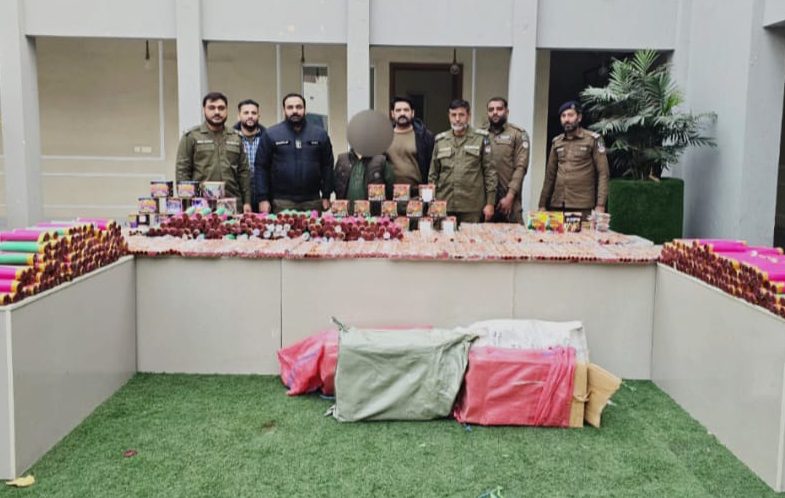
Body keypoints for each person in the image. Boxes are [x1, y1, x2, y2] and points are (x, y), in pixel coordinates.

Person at [254, 93, 334, 213]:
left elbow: (327, 166)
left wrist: (326, 195)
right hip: (281, 202)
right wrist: (263, 198)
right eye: (290, 107)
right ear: (284, 110)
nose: (295, 111)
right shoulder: (271, 134)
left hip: (312, 200)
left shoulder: (320, 134)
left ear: (305, 110)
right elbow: (261, 167)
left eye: (299, 107)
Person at [175, 92, 251, 213]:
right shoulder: (191, 137)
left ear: (226, 110)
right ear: (204, 110)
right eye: (212, 108)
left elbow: (244, 172)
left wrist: (247, 202)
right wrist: (186, 203)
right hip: (201, 205)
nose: (217, 112)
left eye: (221, 108)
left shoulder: (236, 138)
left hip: (232, 203)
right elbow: (182, 172)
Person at [428, 99, 497, 224]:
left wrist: (490, 203)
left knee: (471, 236)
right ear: (449, 116)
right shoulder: (441, 140)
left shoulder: (481, 138)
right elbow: (433, 175)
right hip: (444, 203)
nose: (457, 119)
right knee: (443, 236)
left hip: (472, 206)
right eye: (453, 115)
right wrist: (431, 201)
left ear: (468, 116)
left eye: (461, 115)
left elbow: (490, 173)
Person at [538, 101, 609, 216]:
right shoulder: (557, 142)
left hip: (582, 206)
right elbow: (550, 175)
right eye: (563, 116)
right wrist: (542, 204)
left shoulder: (592, 140)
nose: (566, 119)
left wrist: (600, 205)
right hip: (558, 204)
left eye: (570, 115)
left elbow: (603, 173)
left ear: (579, 117)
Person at [484, 97, 530, 223]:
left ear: (507, 112)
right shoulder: (481, 134)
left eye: (499, 109)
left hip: (510, 198)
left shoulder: (518, 134)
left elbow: (521, 168)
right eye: (491, 109)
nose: (495, 112)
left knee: (515, 233)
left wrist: (510, 197)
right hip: (486, 201)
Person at [386, 96, 435, 193]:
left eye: (406, 110)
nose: (402, 113)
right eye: (398, 110)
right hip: (390, 195)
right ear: (392, 114)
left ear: (412, 113)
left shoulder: (425, 136)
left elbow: (432, 167)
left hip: (417, 193)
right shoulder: (383, 137)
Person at [234, 99, 266, 210]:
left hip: (262, 193)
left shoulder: (267, 137)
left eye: (254, 113)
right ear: (239, 116)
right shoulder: (231, 138)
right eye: (246, 113)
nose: (250, 116)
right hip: (238, 193)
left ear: (258, 116)